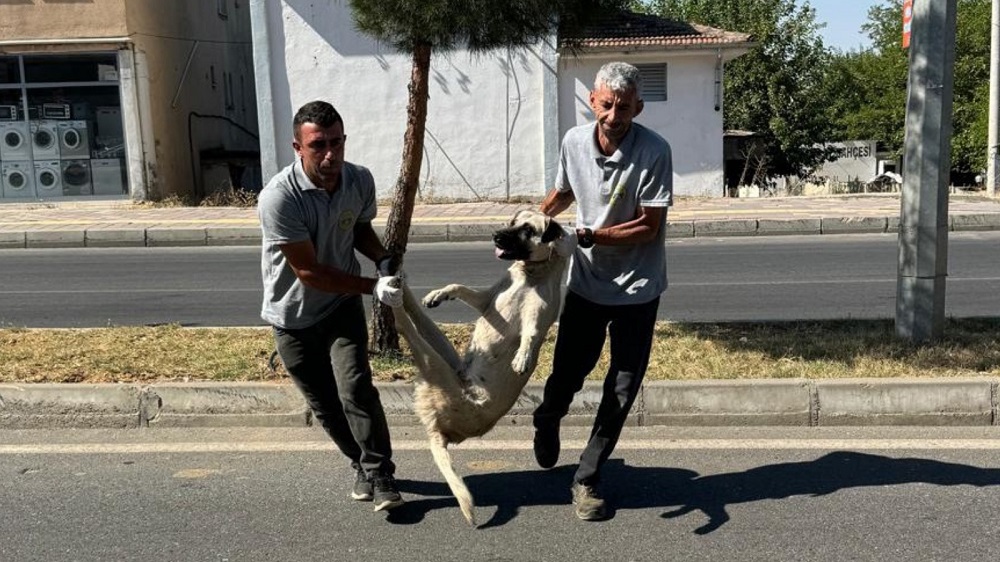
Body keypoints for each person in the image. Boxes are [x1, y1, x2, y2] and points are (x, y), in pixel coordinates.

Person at [532, 62, 672, 521]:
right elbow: (563, 194)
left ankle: (587, 478)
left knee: (622, 387)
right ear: (593, 101)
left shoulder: (655, 150)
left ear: (639, 107)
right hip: (587, 285)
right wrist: (530, 224)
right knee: (569, 372)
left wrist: (592, 236)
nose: (615, 116)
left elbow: (648, 228)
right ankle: (548, 415)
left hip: (637, 288)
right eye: (607, 105)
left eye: (625, 108)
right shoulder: (574, 142)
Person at [258, 100, 405, 512]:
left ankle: (381, 474)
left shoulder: (358, 180)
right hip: (292, 317)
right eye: (318, 145)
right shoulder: (279, 198)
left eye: (337, 143)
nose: (330, 155)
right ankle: (360, 463)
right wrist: (371, 286)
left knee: (356, 388)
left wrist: (383, 258)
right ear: (297, 147)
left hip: (340, 306)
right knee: (324, 403)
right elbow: (308, 271)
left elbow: (359, 228)